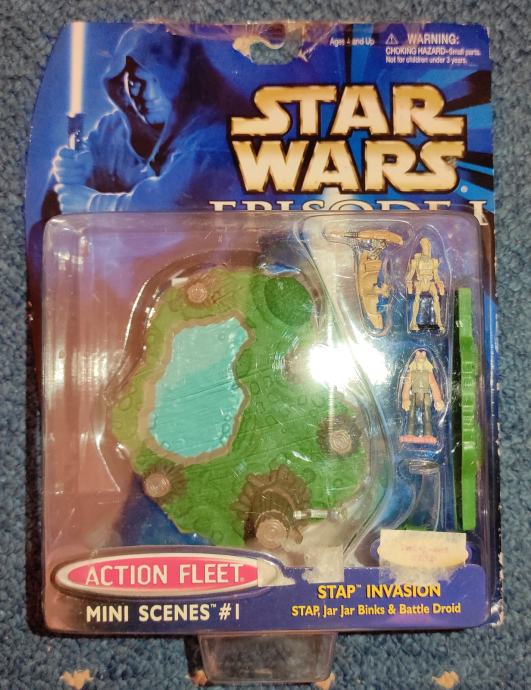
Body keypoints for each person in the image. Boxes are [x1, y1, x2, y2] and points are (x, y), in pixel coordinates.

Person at [50, 24, 246, 213]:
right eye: (136, 82)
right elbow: (59, 200)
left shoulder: (210, 142)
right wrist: (87, 168)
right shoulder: (113, 129)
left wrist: (93, 204)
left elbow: (167, 206)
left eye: (158, 82)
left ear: (183, 84)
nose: (148, 95)